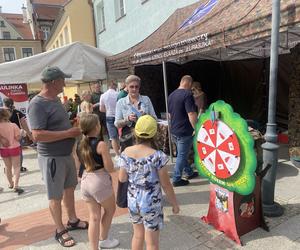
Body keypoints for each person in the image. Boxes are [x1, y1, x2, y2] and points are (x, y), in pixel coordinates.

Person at [27, 66, 88, 247]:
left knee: (69, 189)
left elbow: (55, 126)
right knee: (55, 196)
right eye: (63, 80)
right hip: (52, 157)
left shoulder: (55, 100)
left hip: (65, 154)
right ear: (53, 82)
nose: (65, 83)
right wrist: (69, 133)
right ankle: (60, 229)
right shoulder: (37, 104)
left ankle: (73, 220)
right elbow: (37, 135)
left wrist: (72, 125)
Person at [118, 115, 179, 250]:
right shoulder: (158, 156)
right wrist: (174, 203)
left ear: (136, 131)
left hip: (133, 200)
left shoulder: (126, 152)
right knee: (152, 243)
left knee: (137, 235)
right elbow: (166, 185)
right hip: (151, 202)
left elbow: (122, 178)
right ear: (155, 133)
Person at [78, 113, 119, 250]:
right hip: (99, 181)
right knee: (110, 209)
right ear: (97, 126)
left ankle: (94, 248)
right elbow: (109, 168)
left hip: (85, 181)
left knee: (93, 217)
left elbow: (79, 165)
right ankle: (104, 238)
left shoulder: (80, 144)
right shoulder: (101, 144)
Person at [168, 75, 198, 187]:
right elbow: (191, 113)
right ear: (189, 84)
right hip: (184, 130)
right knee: (181, 155)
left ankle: (189, 172)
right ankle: (176, 178)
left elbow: (170, 114)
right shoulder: (187, 94)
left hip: (174, 129)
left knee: (182, 153)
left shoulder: (171, 95)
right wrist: (196, 128)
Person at [115, 75, 157, 151]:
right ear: (127, 87)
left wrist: (146, 116)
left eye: (136, 87)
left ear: (139, 87)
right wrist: (127, 119)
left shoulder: (146, 99)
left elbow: (155, 119)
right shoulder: (121, 102)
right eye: (131, 87)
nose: (134, 89)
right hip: (128, 137)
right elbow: (117, 124)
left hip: (145, 137)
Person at [3, 97, 33, 172]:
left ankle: (8, 167)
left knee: (6, 151)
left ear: (4, 103)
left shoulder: (1, 113)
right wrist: (29, 135)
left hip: (3, 136)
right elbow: (24, 125)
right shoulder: (17, 112)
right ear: (13, 103)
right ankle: (18, 167)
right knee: (18, 151)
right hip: (16, 135)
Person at [0, 108, 24, 194]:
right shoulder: (13, 125)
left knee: (7, 167)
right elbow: (18, 138)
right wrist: (21, 133)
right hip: (14, 147)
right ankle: (16, 185)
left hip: (3, 149)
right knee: (16, 167)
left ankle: (10, 183)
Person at [99, 81, 120, 159]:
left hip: (109, 116)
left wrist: (108, 110)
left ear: (108, 86)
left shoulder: (103, 95)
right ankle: (122, 152)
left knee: (113, 137)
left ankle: (118, 155)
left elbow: (101, 109)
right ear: (115, 86)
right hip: (118, 116)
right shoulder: (118, 94)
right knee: (120, 135)